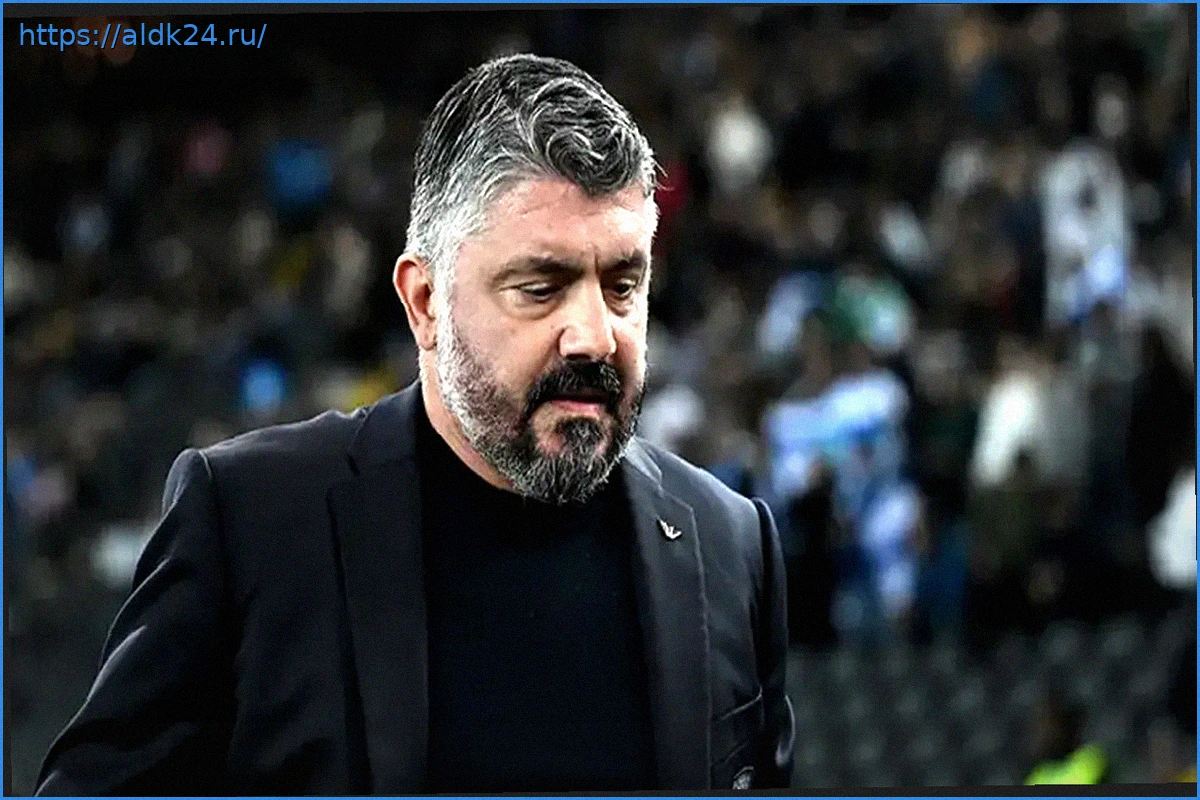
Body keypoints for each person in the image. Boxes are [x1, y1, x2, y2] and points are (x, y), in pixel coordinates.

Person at [36, 54, 794, 795]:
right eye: (541, 287)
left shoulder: (730, 543)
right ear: (425, 303)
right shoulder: (250, 521)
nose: (594, 337)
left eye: (623, 286)